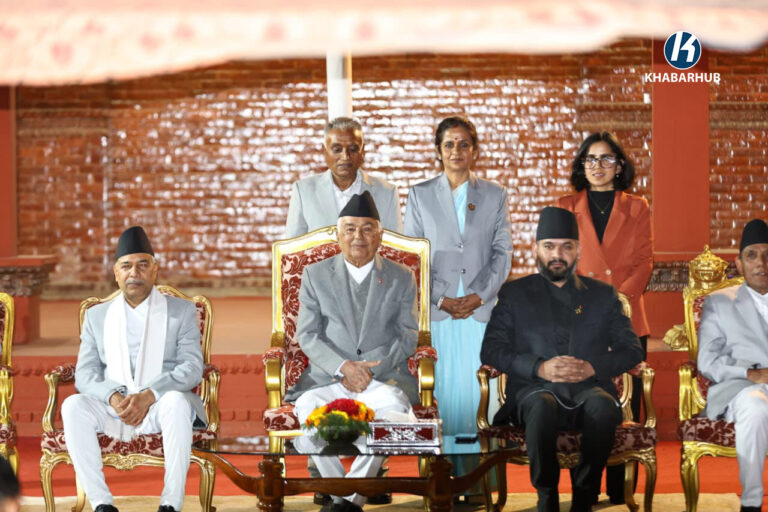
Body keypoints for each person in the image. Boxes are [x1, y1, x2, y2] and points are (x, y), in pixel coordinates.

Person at [481, 207, 643, 512]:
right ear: (536, 250)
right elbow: (492, 350)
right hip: (533, 391)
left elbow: (632, 349)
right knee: (542, 405)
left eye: (566, 247)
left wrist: (592, 367)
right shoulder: (515, 294)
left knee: (603, 406)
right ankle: (547, 498)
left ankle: (584, 496)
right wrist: (539, 367)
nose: (558, 254)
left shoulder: (602, 295)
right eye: (549, 246)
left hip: (588, 389)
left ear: (578, 251)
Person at [287, 191, 419, 512]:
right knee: (307, 409)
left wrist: (370, 370)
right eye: (350, 229)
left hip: (381, 378)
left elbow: (408, 335)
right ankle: (348, 498)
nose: (358, 236)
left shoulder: (402, 276)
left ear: (380, 235)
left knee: (394, 415)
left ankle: (341, 500)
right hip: (329, 379)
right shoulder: (315, 275)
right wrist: (344, 367)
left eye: (367, 229)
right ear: (338, 234)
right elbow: (307, 334)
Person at [403, 115, 512, 499]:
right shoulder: (420, 195)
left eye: (464, 144)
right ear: (438, 151)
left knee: (479, 397)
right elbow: (412, 257)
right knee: (445, 399)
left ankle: (482, 483)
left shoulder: (495, 195)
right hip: (440, 313)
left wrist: (479, 295)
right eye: (448, 144)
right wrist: (440, 298)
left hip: (479, 313)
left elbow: (502, 253)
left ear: (474, 150)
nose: (456, 151)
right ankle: (442, 482)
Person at [62, 226, 206, 512]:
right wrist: (113, 397)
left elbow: (192, 367)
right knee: (72, 405)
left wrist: (150, 394)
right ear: (116, 273)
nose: (134, 273)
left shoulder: (181, 311)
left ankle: (170, 503)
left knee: (177, 402)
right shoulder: (96, 316)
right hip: (113, 407)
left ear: (155, 270)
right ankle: (101, 503)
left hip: (160, 405)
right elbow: (85, 374)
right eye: (126, 266)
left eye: (143, 265)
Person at [556, 131, 652, 503]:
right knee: (586, 400)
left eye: (606, 158)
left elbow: (645, 261)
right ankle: (586, 486)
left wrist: (617, 300)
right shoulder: (566, 206)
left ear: (619, 165)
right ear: (582, 165)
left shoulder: (638, 207)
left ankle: (619, 488)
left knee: (626, 404)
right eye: (591, 159)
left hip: (627, 317)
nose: (598, 166)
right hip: (580, 318)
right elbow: (560, 260)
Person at [698, 219, 768, 512]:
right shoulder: (720, 302)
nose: (761, 262)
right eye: (752, 255)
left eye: (767, 255)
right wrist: (750, 373)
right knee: (755, 406)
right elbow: (707, 361)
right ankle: (751, 503)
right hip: (742, 388)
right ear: (739, 264)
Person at [285, 117, 402, 237]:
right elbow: (292, 245)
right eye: (337, 150)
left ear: (362, 151)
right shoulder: (304, 191)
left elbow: (395, 246)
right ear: (324, 151)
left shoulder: (387, 192)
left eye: (353, 149)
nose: (345, 156)